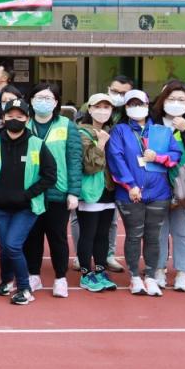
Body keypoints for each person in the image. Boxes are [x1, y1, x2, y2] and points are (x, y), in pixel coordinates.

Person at [0, 100, 57, 305]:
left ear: (27, 119)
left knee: (13, 245)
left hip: (27, 207)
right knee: (4, 246)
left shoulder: (37, 144)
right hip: (0, 206)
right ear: (3, 118)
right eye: (10, 116)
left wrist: (28, 195)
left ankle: (24, 288)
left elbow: (50, 176)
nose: (15, 120)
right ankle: (6, 281)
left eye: (20, 117)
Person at [106, 90, 181, 296]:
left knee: (153, 236)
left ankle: (150, 276)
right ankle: (134, 277)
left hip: (159, 193)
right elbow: (116, 158)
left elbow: (175, 155)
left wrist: (158, 157)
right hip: (129, 194)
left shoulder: (162, 131)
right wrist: (130, 185)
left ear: (148, 106)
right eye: (132, 104)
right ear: (126, 108)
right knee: (134, 235)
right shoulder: (119, 131)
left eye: (140, 103)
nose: (136, 107)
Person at [22, 82, 81, 298]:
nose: (43, 102)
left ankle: (60, 278)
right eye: (39, 97)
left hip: (58, 190)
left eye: (48, 98)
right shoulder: (24, 124)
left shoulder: (66, 125)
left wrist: (73, 192)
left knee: (57, 237)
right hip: (31, 191)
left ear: (56, 102)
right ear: (31, 100)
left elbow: (74, 160)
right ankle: (33, 275)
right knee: (32, 237)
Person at [152, 80, 185, 291]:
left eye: (181, 100)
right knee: (158, 231)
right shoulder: (153, 121)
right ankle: (158, 270)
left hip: (184, 186)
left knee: (183, 231)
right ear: (163, 100)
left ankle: (182, 272)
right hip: (156, 185)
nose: (176, 103)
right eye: (171, 99)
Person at [74, 94, 118, 292]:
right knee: (88, 233)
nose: (102, 111)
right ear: (89, 109)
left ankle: (100, 270)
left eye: (107, 107)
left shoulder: (111, 131)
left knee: (103, 234)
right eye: (98, 106)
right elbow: (90, 166)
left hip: (108, 189)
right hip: (90, 190)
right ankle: (86, 274)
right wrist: (100, 144)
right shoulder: (81, 133)